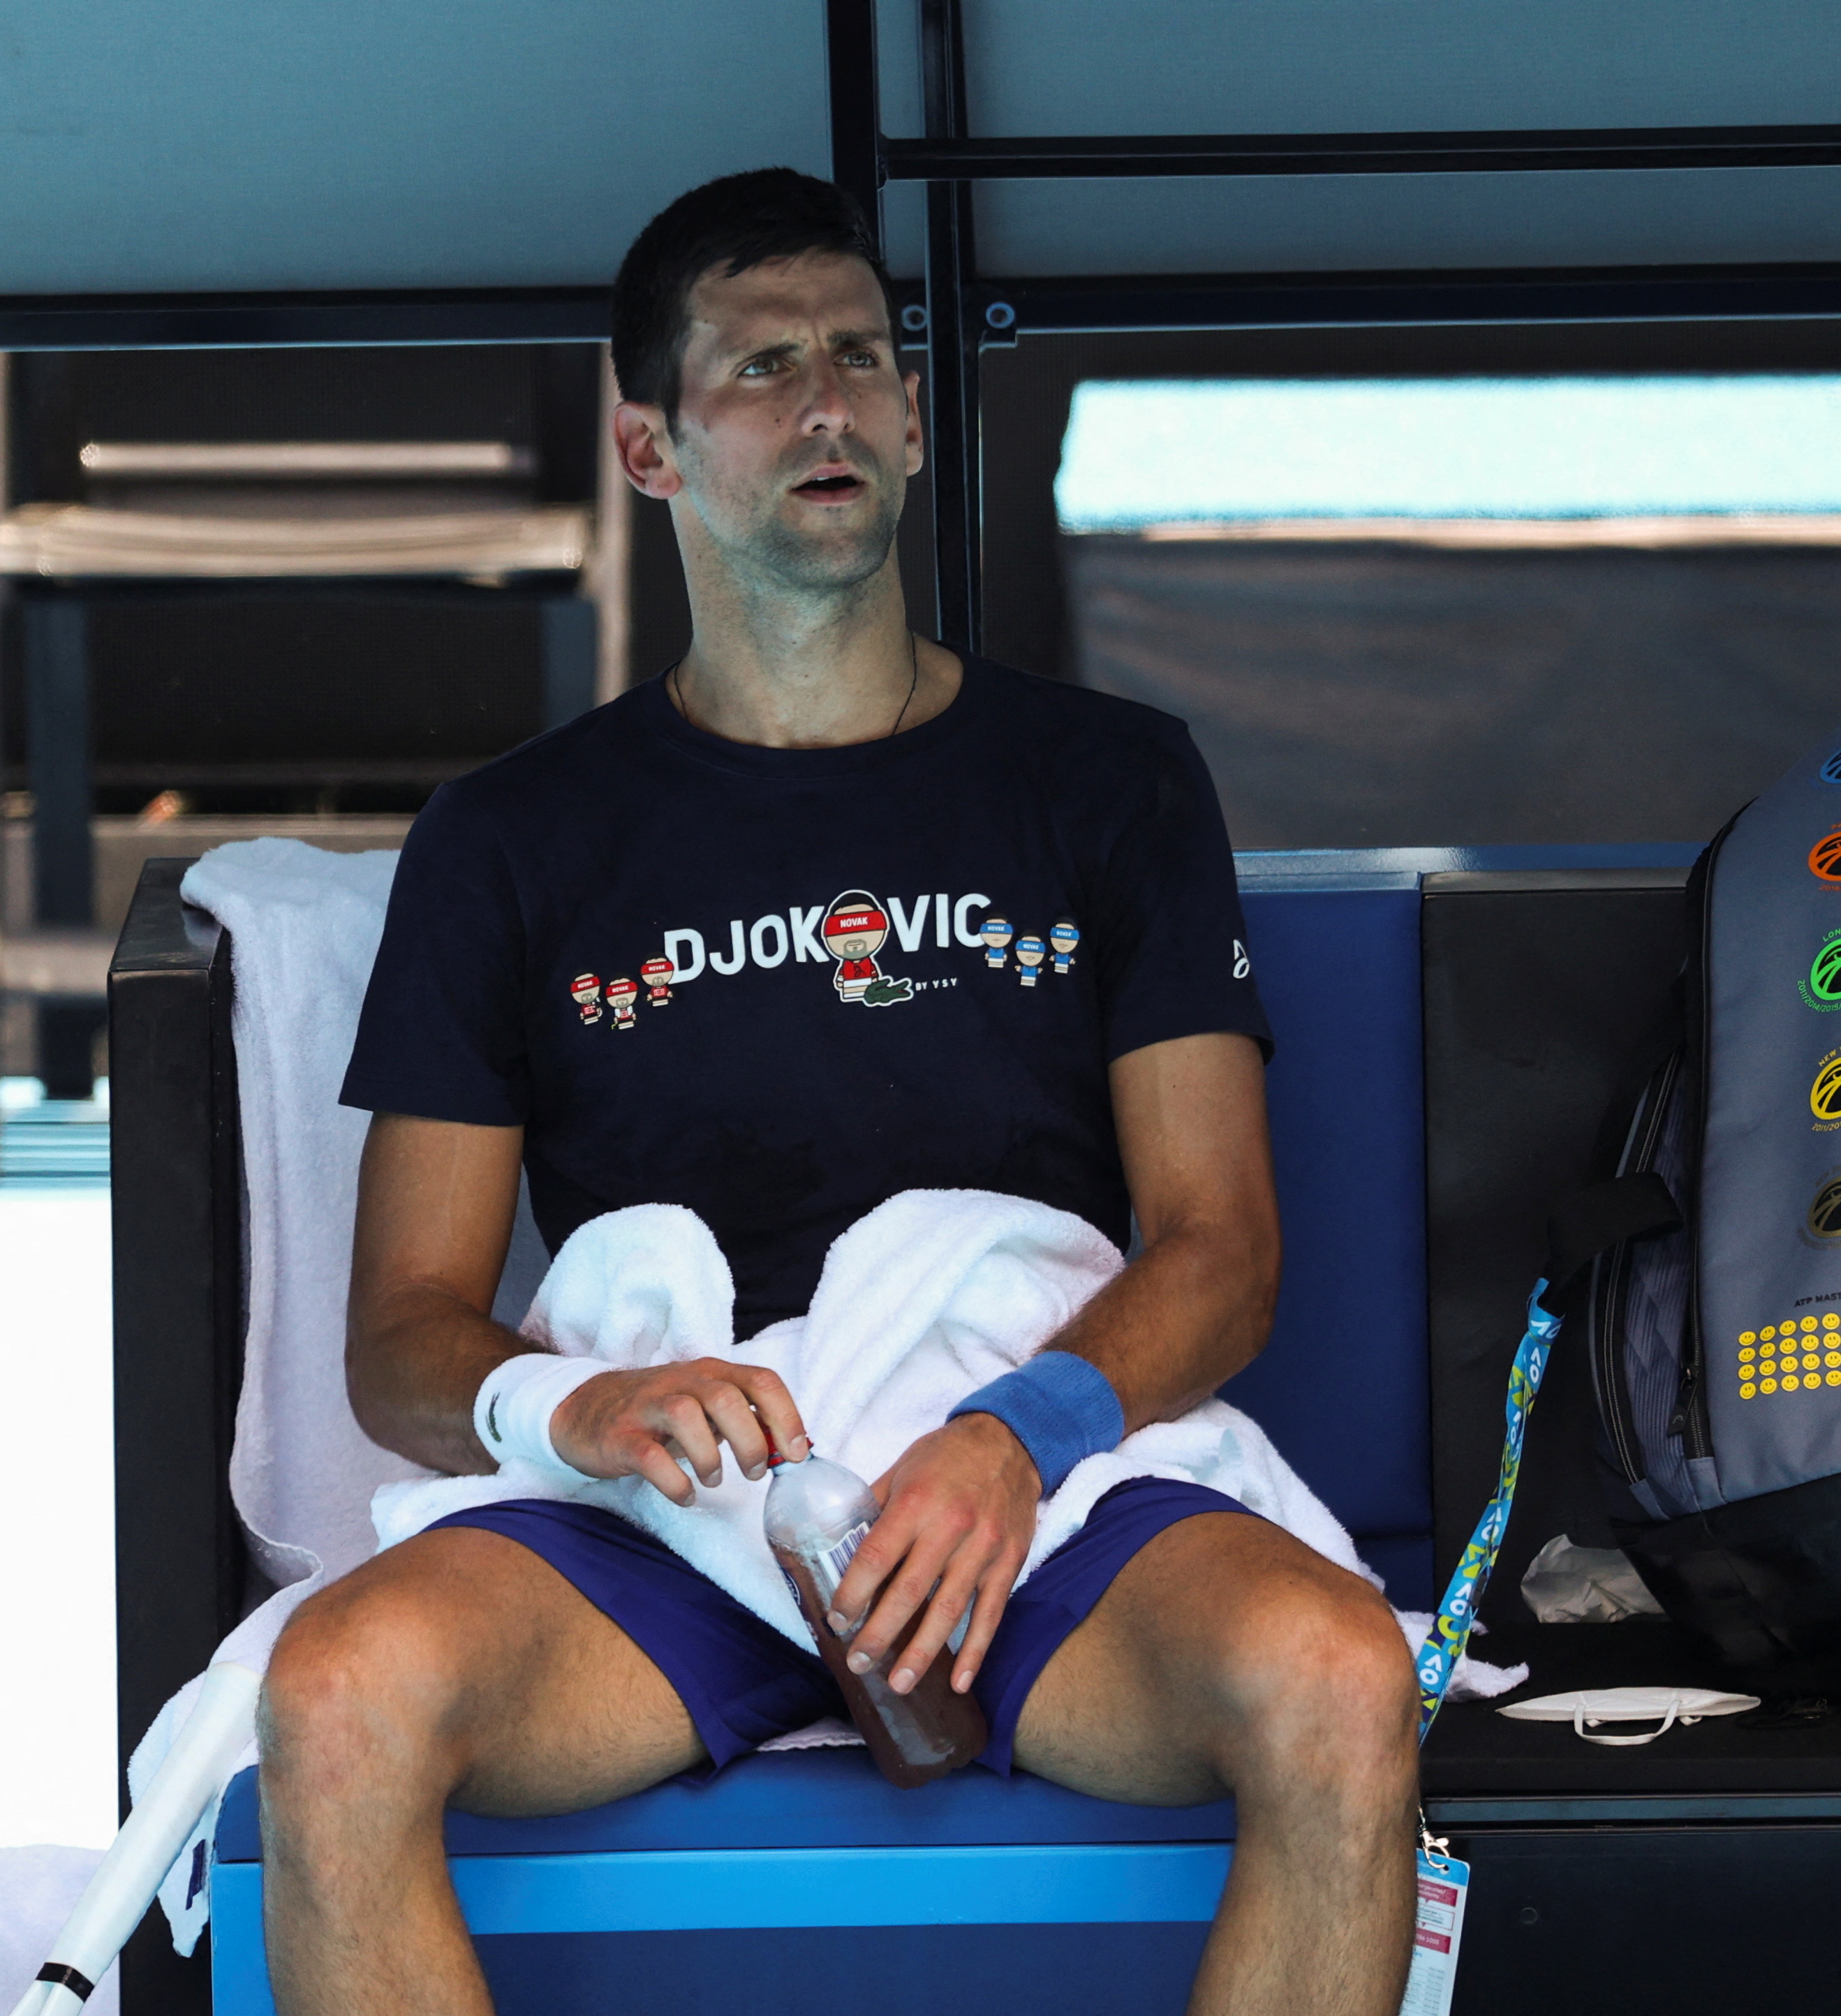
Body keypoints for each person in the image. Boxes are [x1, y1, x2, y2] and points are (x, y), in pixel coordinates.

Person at [256, 168, 1419, 2016]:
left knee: (1341, 1679)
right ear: (646, 445)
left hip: (1027, 1484)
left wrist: (1015, 1437)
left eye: (861, 359)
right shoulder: (510, 838)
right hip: (671, 1517)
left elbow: (1223, 1252)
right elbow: (400, 1344)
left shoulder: (1110, 779)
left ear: (914, 421)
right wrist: (586, 1402)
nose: (825, 405)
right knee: (333, 1695)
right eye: (760, 367)